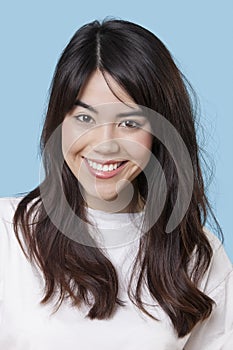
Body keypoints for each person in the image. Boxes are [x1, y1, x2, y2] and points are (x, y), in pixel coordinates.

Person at [0, 19, 232, 350]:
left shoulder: (196, 255)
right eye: (84, 118)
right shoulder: (7, 234)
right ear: (58, 123)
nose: (104, 143)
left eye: (128, 122)